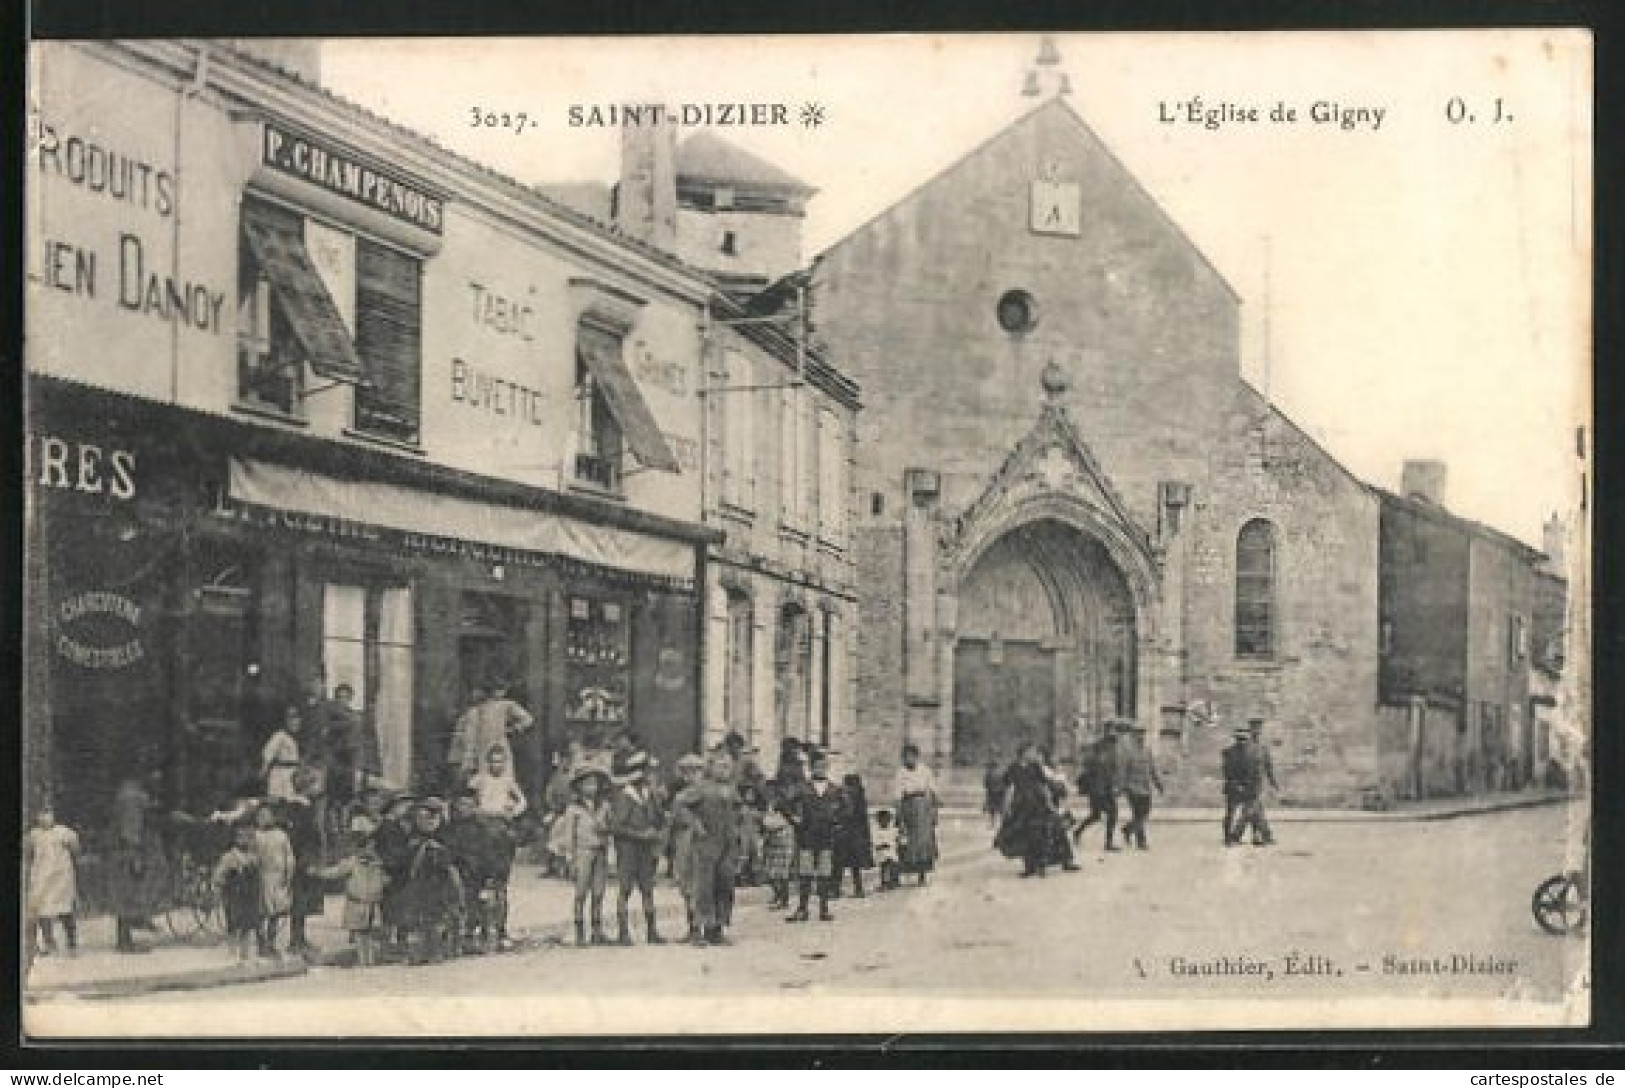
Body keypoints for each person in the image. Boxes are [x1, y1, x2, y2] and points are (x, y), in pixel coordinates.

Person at [674, 750, 742, 945]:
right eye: (720, 766)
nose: (725, 770)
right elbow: (680, 804)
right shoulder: (702, 788)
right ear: (710, 768)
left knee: (725, 885)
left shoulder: (731, 790)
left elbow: (738, 812)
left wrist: (739, 836)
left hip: (727, 846)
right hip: (705, 845)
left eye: (728, 766)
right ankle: (697, 930)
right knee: (703, 887)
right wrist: (695, 824)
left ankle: (716, 929)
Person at [312, 816, 389, 967]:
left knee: (368, 933)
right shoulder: (352, 863)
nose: (368, 851)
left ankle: (369, 960)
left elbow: (384, 880)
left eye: (370, 848)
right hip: (357, 901)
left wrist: (382, 885)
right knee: (360, 933)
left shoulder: (377, 864)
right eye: (364, 847)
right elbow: (335, 872)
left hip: (371, 902)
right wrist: (318, 872)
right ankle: (363, 960)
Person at [610, 752, 668, 946]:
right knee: (625, 889)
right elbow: (617, 827)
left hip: (646, 849)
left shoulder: (649, 795)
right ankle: (623, 932)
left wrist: (658, 829)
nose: (652, 776)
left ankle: (652, 931)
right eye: (649, 772)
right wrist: (641, 834)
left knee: (647, 888)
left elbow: (659, 818)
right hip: (628, 850)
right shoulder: (625, 797)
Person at [398, 799, 464, 965]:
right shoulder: (412, 838)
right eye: (422, 818)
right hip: (419, 882)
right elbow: (406, 861)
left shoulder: (445, 837)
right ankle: (419, 951)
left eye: (431, 818)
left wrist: (439, 852)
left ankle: (439, 950)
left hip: (439, 882)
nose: (427, 822)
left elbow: (452, 859)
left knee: (439, 916)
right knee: (418, 917)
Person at [107, 774, 165, 953]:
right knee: (129, 894)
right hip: (129, 853)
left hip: (125, 852)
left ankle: (126, 938)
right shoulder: (132, 797)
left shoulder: (129, 793)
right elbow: (130, 829)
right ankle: (126, 940)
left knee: (126, 895)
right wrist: (136, 856)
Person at [784, 750, 843, 922]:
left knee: (825, 871)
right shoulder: (802, 787)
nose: (821, 770)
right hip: (807, 834)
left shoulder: (834, 788)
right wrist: (795, 820)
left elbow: (846, 807)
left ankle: (824, 909)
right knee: (805, 871)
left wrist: (836, 821)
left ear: (828, 767)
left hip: (826, 834)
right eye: (817, 766)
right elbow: (785, 804)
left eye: (824, 766)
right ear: (811, 768)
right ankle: (803, 909)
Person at [561, 765, 614, 946]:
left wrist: (605, 829)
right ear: (579, 787)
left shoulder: (604, 806)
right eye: (587, 784)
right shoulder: (573, 809)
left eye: (594, 784)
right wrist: (570, 857)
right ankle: (579, 931)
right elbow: (568, 835)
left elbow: (611, 827)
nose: (592, 788)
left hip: (601, 850)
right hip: (583, 852)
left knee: (598, 892)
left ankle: (597, 930)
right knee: (581, 892)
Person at [279, 769, 326, 957]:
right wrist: (306, 859)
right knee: (300, 900)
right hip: (302, 860)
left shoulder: (304, 806)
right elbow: (301, 837)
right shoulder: (300, 809)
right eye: (314, 784)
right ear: (306, 787)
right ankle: (296, 940)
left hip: (305, 858)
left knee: (303, 901)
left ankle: (300, 938)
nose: (318, 788)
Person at [997, 743, 1061, 878]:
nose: (1033, 754)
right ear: (1023, 753)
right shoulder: (1013, 767)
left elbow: (1044, 786)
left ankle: (1041, 865)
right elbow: (1009, 787)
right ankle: (1029, 866)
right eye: (1030, 751)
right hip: (1020, 806)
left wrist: (1050, 804)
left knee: (1039, 835)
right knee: (1025, 836)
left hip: (1037, 804)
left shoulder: (1035, 766)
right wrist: (1006, 807)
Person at [451, 682, 535, 784]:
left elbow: (528, 720)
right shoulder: (474, 711)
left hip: (497, 748)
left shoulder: (506, 705)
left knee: (500, 779)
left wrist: (512, 729)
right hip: (482, 750)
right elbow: (467, 737)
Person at [26, 805, 81, 957]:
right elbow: (28, 853)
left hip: (61, 877)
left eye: (48, 813)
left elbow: (76, 848)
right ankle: (49, 943)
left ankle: (72, 944)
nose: (45, 818)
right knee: (44, 911)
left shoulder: (64, 832)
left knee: (66, 911)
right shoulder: (34, 835)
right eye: (41, 814)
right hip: (42, 877)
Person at [212, 821, 263, 965]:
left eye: (248, 837)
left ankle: (245, 954)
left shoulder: (254, 857)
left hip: (250, 895)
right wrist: (218, 889)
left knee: (248, 925)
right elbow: (219, 874)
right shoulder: (230, 856)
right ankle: (232, 952)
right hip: (235, 895)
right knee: (235, 924)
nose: (245, 840)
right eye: (241, 837)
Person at [668, 752, 706, 934]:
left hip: (702, 841)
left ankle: (701, 926)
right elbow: (673, 819)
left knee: (700, 883)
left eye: (695, 771)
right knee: (686, 883)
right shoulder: (679, 796)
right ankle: (693, 926)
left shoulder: (707, 793)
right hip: (683, 839)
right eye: (686, 772)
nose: (690, 776)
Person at [252, 802, 295, 958]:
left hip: (277, 878)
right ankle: (261, 942)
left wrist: (289, 874)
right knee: (261, 912)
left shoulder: (281, 835)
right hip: (262, 877)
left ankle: (271, 942)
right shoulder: (255, 836)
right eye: (260, 816)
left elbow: (289, 856)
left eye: (267, 815)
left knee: (275, 912)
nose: (264, 819)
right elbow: (252, 856)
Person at [894, 744, 940, 885]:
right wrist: (899, 813)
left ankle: (922, 874)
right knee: (908, 841)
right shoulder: (901, 773)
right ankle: (908, 871)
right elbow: (897, 795)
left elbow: (932, 792)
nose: (909, 760)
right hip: (908, 807)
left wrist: (933, 811)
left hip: (923, 809)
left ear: (917, 757)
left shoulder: (925, 771)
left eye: (912, 756)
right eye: (906, 757)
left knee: (924, 842)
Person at [1074, 725, 1123, 852]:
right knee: (1109, 814)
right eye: (1113, 730)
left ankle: (1078, 832)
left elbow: (1113, 770)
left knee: (1097, 815)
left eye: (1116, 731)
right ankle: (1108, 843)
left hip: (1107, 788)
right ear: (1106, 732)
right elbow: (1089, 766)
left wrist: (1115, 786)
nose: (1115, 733)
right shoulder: (1097, 747)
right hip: (1097, 789)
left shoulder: (1113, 748)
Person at [1118, 724, 1164, 850]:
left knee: (1144, 814)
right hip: (1132, 787)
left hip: (1145, 788)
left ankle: (1127, 829)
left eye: (1143, 733)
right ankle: (1141, 841)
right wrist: (1121, 787)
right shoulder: (1128, 751)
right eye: (1138, 733)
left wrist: (1158, 784)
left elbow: (1152, 769)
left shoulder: (1147, 750)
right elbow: (1123, 770)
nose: (1141, 736)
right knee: (1138, 813)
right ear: (1133, 735)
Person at [834, 773, 875, 898]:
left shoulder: (846, 796)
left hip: (847, 833)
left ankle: (836, 889)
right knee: (854, 864)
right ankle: (858, 889)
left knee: (840, 861)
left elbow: (845, 813)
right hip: (856, 834)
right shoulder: (859, 797)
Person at [1242, 717, 1279, 846]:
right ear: (1250, 730)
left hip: (1259, 783)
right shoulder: (1245, 746)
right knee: (1254, 809)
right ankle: (1262, 835)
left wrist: (1273, 781)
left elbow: (1268, 766)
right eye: (1254, 728)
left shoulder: (1263, 748)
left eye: (1259, 729)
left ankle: (1259, 836)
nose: (1257, 731)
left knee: (1256, 809)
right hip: (1247, 783)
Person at [760, 783, 796, 910]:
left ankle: (783, 899)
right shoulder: (768, 805)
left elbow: (776, 823)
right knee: (771, 872)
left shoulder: (782, 805)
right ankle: (779, 896)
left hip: (782, 842)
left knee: (781, 873)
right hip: (772, 842)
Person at [470, 745, 528, 821]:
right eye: (493, 761)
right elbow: (470, 799)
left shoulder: (508, 780)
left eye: (500, 762)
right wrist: (473, 808)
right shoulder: (479, 778)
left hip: (500, 818)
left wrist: (514, 812)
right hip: (482, 817)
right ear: (488, 762)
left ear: (504, 763)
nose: (496, 765)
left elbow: (523, 801)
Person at [261, 705, 304, 802]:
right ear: (285, 721)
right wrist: (264, 768)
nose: (295, 723)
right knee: (278, 802)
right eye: (291, 720)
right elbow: (269, 751)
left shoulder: (295, 739)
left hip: (292, 774)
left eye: (297, 721)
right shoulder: (279, 735)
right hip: (280, 774)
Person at [1221, 728, 1252, 845]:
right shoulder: (1228, 753)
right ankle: (1228, 838)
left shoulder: (1248, 753)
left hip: (1246, 786)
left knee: (1247, 812)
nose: (1242, 742)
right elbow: (1227, 771)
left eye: (1244, 739)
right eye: (1240, 739)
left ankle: (1235, 836)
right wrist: (1237, 784)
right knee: (1231, 813)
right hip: (1233, 787)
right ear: (1236, 740)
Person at [870, 808, 901, 891]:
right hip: (881, 852)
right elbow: (875, 843)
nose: (884, 822)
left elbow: (896, 839)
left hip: (891, 851)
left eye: (886, 820)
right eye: (882, 820)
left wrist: (895, 844)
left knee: (892, 862)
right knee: (884, 865)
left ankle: (894, 881)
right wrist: (881, 845)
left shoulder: (892, 830)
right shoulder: (876, 831)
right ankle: (884, 882)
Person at [982, 751, 1005, 829]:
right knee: (995, 808)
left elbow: (986, 783)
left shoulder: (999, 770)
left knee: (997, 808)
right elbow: (986, 782)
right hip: (995, 790)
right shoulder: (992, 770)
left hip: (997, 791)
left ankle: (997, 823)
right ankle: (994, 822)